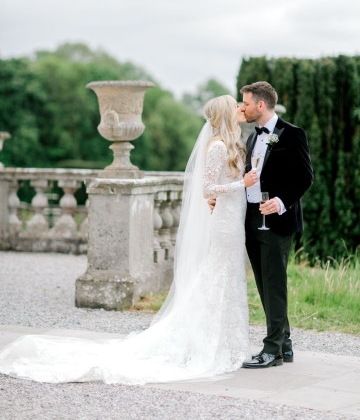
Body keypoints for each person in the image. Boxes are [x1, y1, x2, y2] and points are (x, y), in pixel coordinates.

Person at [0, 95, 258, 385]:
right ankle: (207, 343)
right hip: (224, 224)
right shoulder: (218, 146)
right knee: (217, 278)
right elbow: (207, 188)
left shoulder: (233, 144)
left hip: (233, 221)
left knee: (227, 279)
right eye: (235, 105)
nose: (239, 108)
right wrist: (242, 183)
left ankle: (226, 341)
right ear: (225, 113)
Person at [239, 81, 313, 369]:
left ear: (260, 104)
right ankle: (286, 344)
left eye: (245, 103)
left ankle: (272, 350)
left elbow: (305, 177)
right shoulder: (251, 139)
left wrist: (281, 202)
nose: (242, 107)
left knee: (274, 284)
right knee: (264, 284)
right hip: (252, 218)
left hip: (278, 219)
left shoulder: (293, 134)